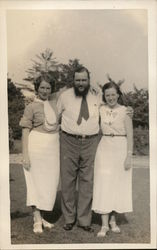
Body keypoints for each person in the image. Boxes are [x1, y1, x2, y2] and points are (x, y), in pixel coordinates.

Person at [57, 67, 133, 232]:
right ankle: (69, 219)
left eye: (84, 80)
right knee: (68, 181)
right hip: (68, 140)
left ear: (88, 80)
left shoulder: (98, 97)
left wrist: (128, 112)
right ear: (73, 80)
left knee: (87, 182)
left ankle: (84, 221)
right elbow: (54, 115)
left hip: (91, 142)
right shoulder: (64, 96)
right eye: (78, 80)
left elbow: (113, 109)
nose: (81, 83)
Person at [92, 80, 133, 237]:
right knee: (104, 183)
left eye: (113, 94)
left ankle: (113, 221)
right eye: (107, 95)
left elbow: (130, 135)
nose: (110, 98)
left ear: (118, 95)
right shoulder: (101, 110)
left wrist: (129, 156)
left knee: (117, 184)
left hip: (121, 147)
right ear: (104, 96)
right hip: (105, 147)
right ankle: (103, 225)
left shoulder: (125, 111)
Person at [19, 73, 60, 234]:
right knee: (35, 182)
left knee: (48, 184)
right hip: (36, 147)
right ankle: (36, 219)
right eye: (42, 87)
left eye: (48, 88)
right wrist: (25, 155)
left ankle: (42, 217)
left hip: (52, 148)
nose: (45, 90)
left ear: (51, 90)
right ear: (37, 88)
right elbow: (25, 131)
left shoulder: (55, 105)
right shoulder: (31, 107)